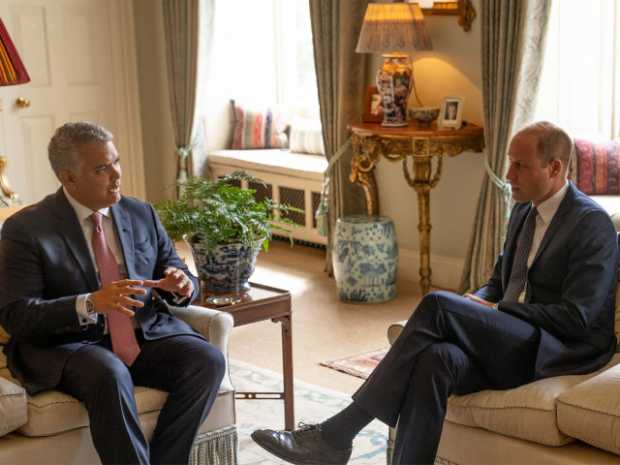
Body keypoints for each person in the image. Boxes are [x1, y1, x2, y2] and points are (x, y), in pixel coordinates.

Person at [251, 121, 619, 465]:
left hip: (557, 348)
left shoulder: (591, 224)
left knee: (438, 305)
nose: (508, 175)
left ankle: (337, 434)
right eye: (509, 163)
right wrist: (479, 304)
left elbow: (578, 318)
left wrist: (497, 311)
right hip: (514, 338)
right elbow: (499, 281)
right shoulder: (524, 211)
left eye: (520, 166)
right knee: (436, 359)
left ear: (555, 168)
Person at [0, 122, 225, 465]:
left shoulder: (140, 213)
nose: (116, 174)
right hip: (68, 344)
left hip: (143, 334)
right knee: (109, 372)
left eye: (115, 161)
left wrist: (181, 284)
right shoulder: (26, 230)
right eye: (102, 168)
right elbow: (17, 314)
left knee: (207, 360)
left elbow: (177, 271)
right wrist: (89, 303)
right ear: (68, 177)